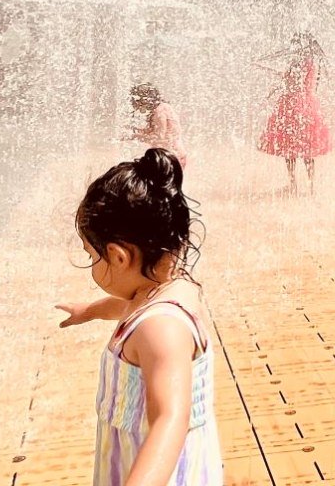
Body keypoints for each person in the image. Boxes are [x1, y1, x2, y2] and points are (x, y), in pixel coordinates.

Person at [55, 149, 223, 486]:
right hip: (142, 460)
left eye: (92, 256)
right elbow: (125, 309)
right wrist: (88, 312)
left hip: (163, 474)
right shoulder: (162, 292)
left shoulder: (161, 329)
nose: (92, 265)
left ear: (117, 256)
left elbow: (170, 418)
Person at [257, 34, 333, 193]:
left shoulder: (297, 64)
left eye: (295, 45)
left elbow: (288, 82)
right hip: (308, 106)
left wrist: (273, 78)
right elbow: (310, 85)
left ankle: (293, 184)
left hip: (291, 106)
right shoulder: (314, 64)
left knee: (288, 147)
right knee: (308, 149)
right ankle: (311, 186)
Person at [130, 84, 183, 153]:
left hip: (169, 156)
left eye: (136, 100)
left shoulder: (159, 112)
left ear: (144, 100)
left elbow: (159, 138)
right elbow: (155, 131)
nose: (133, 102)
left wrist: (134, 136)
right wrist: (136, 130)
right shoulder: (164, 107)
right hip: (175, 152)